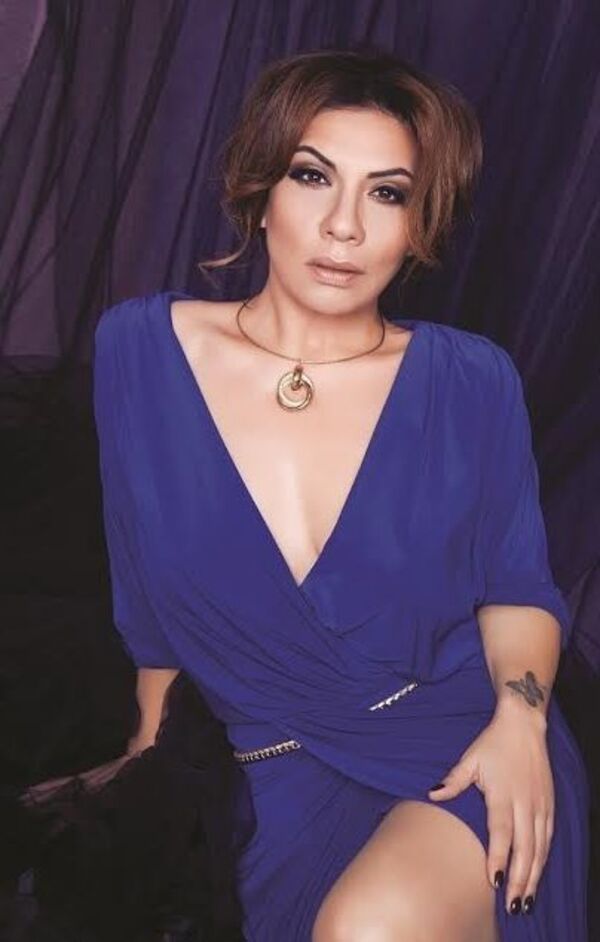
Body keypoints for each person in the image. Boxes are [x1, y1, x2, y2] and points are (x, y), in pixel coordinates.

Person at [92, 49, 589, 940]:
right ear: (260, 191)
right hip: (270, 768)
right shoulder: (139, 351)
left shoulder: (471, 381)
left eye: (387, 193)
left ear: (419, 223)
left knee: (366, 926)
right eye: (312, 176)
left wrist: (520, 725)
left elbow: (517, 585)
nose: (345, 226)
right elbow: (148, 607)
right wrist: (145, 762)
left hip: (458, 743)